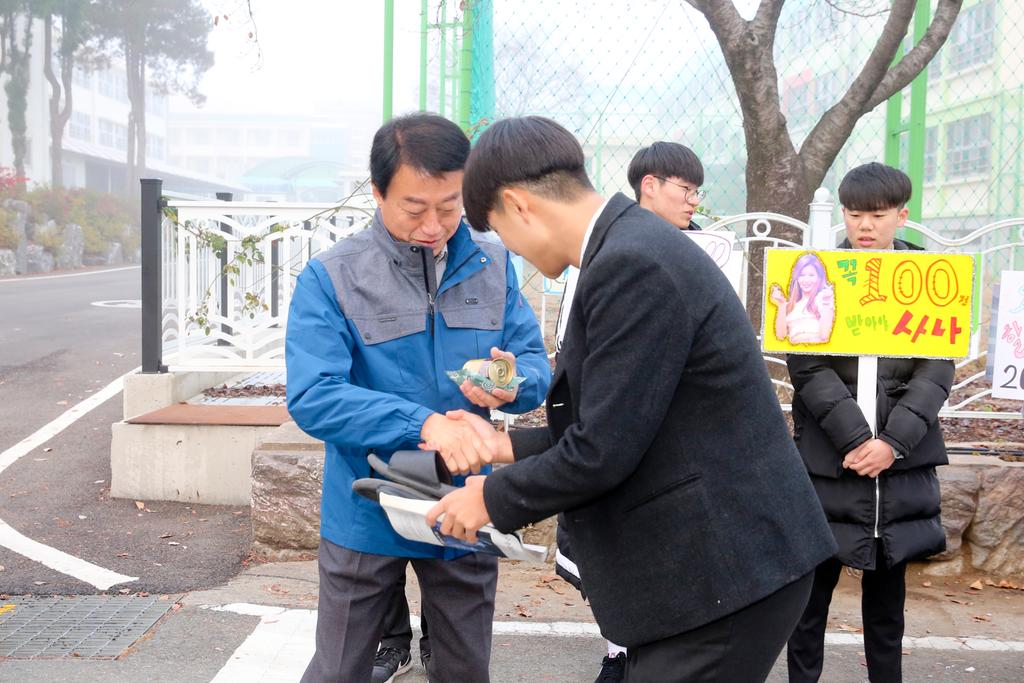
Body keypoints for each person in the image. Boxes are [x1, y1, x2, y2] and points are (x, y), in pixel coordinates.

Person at [427, 116, 837, 682]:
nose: (513, 252)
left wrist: (490, 500)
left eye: (500, 231)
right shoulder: (623, 247)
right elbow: (623, 421)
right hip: (715, 569)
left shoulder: (631, 264)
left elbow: (604, 450)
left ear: (518, 205)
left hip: (728, 571)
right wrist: (501, 447)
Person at [286, 112, 550, 683]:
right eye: (414, 208)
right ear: (378, 192)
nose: (435, 225)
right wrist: (425, 424)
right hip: (367, 500)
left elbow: (535, 366)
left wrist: (512, 382)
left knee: (463, 670)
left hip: (466, 504)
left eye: (450, 206)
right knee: (338, 670)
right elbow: (313, 396)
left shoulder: (494, 262)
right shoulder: (332, 277)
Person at [786, 163, 953, 683]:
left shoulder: (929, 278)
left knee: (888, 609)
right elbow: (806, 363)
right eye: (854, 214)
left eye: (877, 216)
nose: (864, 226)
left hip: (898, 469)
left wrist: (893, 443)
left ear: (901, 215)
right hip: (830, 462)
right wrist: (859, 440)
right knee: (808, 603)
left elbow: (936, 369)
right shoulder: (817, 272)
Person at [551, 140, 709, 682]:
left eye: (695, 192)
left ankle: (632, 652)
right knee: (617, 558)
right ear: (650, 185)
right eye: (685, 189)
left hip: (660, 442)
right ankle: (620, 650)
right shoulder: (607, 256)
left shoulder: (689, 252)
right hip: (612, 431)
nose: (693, 201)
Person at [768, 252, 836, 344]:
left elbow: (824, 335)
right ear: (797, 278)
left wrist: (827, 302)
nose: (806, 280)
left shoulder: (822, 300)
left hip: (817, 354)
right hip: (796, 355)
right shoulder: (791, 305)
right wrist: (781, 305)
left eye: (811, 275)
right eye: (802, 275)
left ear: (819, 278)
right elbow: (780, 335)